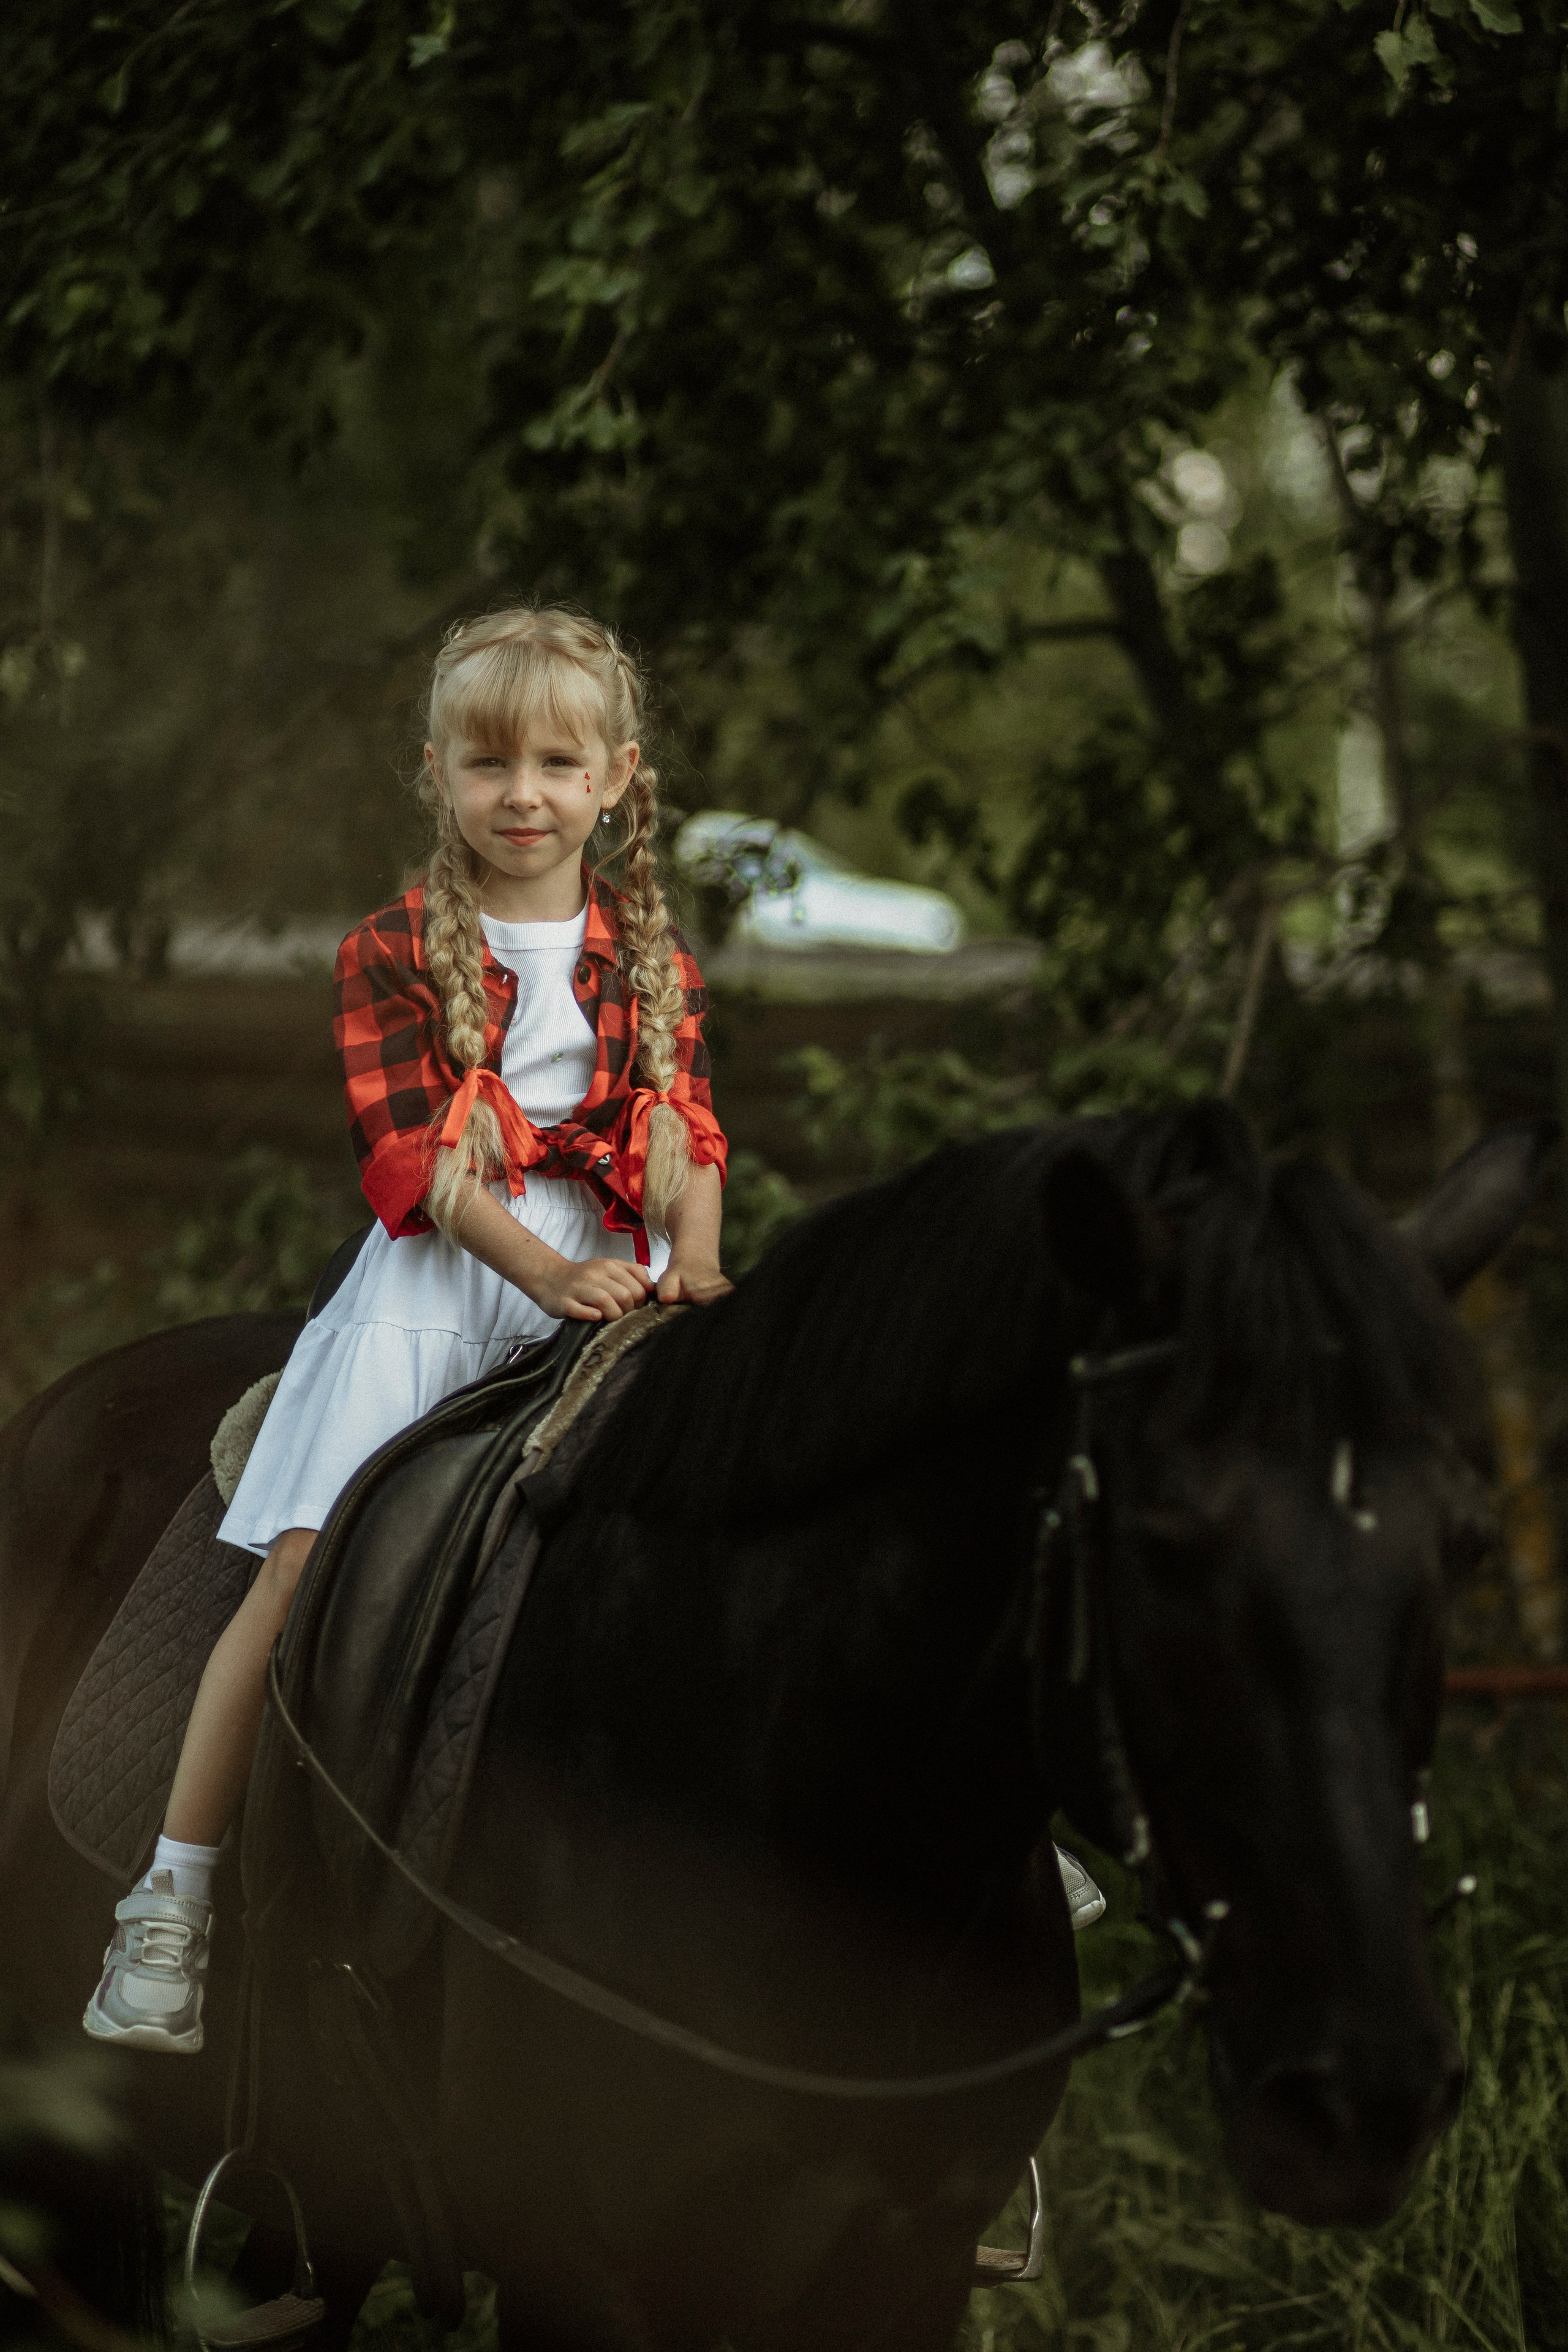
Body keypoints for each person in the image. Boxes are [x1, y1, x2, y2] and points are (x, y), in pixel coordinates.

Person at [83, 606, 731, 2053]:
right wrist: (543, 1274)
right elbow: (414, 1160)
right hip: (445, 1281)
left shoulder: (649, 958)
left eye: (556, 764)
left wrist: (691, 1261)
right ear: (436, 771)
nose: (523, 794)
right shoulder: (390, 951)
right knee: (297, 1563)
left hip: (617, 1271)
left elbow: (685, 1132)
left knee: (729, 1539)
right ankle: (172, 1898)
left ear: (615, 778)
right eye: (488, 762)